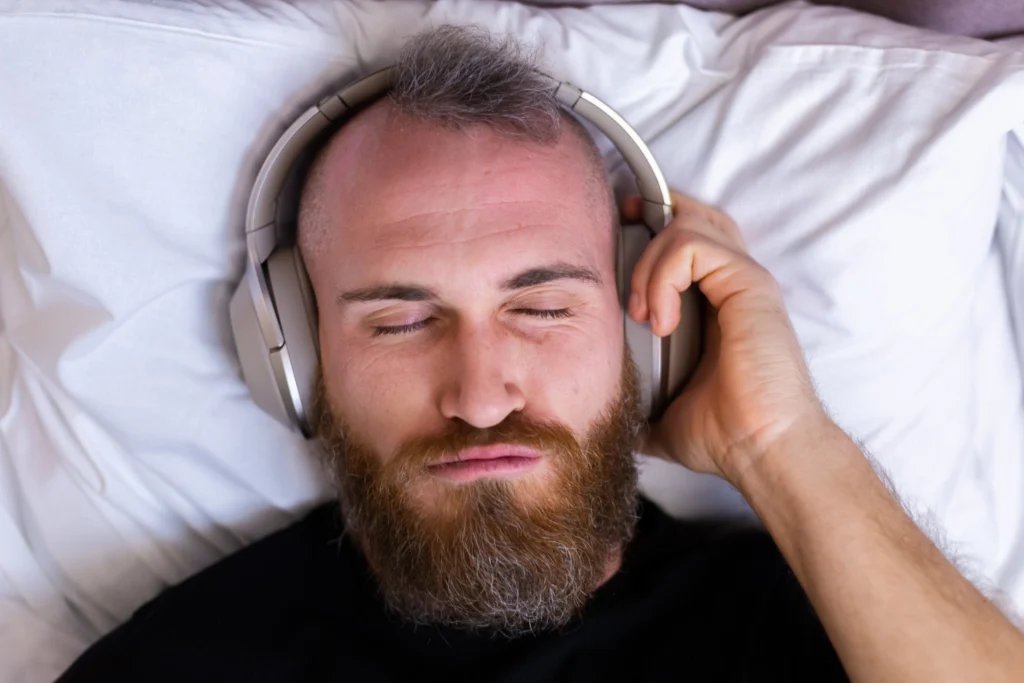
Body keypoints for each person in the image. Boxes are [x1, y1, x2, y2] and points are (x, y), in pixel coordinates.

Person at [56, 25, 1024, 683]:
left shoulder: (821, 620)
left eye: (542, 307)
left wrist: (784, 440)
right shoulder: (181, 661)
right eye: (398, 320)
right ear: (298, 362)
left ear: (649, 337)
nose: (480, 395)